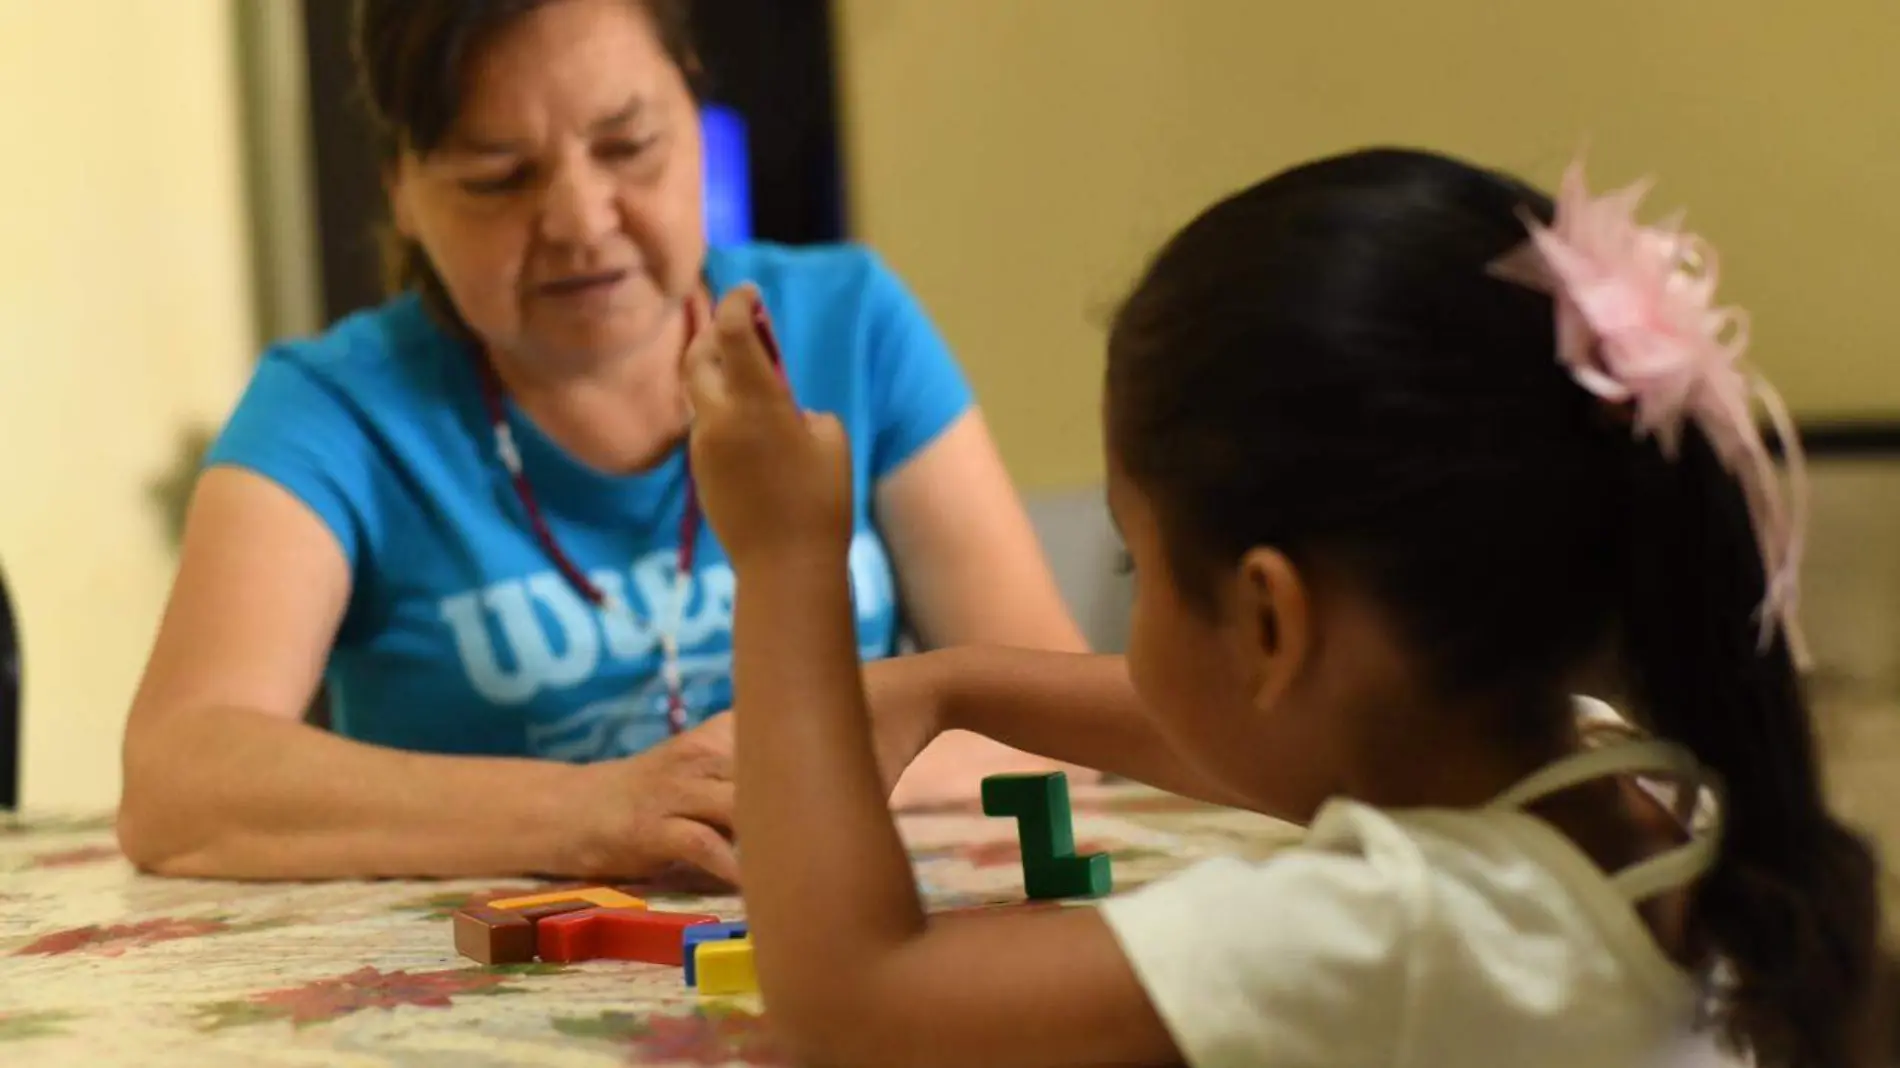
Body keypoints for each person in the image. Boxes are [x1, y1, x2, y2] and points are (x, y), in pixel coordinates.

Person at [683, 147, 1889, 1067]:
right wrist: (953, 687)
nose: (1134, 597)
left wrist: (789, 555)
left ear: (1268, 621)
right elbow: (1250, 733)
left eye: (1135, 563)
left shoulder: (1405, 931)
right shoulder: (1616, 789)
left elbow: (854, 1006)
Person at [115, 0, 1092, 884]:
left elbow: (1057, 715)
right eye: (499, 178)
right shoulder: (330, 408)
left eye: (629, 147)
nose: (581, 222)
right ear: (403, 190)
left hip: (842, 941)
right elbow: (181, 780)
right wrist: (598, 810)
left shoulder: (848, 325)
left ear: (695, 115)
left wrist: (789, 780)